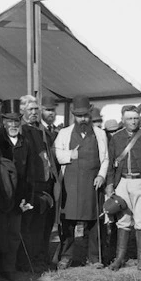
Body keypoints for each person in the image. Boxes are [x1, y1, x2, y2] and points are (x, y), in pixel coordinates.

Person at [54, 95, 109, 269]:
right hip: (70, 184)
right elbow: (57, 155)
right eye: (79, 116)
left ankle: (94, 257)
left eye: (85, 115)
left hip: (92, 184)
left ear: (90, 114)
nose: (83, 119)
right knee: (68, 222)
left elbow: (105, 158)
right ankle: (66, 256)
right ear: (73, 116)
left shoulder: (100, 134)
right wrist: (70, 154)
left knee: (94, 221)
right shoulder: (64, 133)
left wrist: (101, 175)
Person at [105, 105, 141, 271]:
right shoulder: (116, 137)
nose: (133, 121)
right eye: (129, 119)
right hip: (122, 182)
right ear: (123, 120)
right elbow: (111, 163)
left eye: (135, 118)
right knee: (123, 220)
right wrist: (110, 184)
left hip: (139, 182)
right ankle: (120, 258)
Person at [0, 99, 34, 281]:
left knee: (14, 234)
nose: (14, 124)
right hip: (1, 197)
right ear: (3, 122)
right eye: (10, 120)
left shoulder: (25, 142)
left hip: (19, 198)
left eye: (17, 120)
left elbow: (30, 172)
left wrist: (26, 198)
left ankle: (10, 269)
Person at [20, 95, 57, 271]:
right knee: (32, 226)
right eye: (30, 109)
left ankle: (43, 257)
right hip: (32, 185)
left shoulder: (43, 130)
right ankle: (31, 261)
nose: (34, 112)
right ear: (22, 111)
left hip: (47, 183)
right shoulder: (21, 131)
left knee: (45, 224)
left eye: (36, 109)